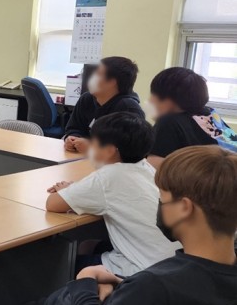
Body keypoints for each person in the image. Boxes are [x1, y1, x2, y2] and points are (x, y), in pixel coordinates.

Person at [0, 145, 237, 305]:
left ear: (185, 208)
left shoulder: (153, 287)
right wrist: (119, 285)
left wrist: (86, 281)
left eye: (162, 199)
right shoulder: (218, 274)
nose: (158, 205)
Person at [46, 112, 178, 275]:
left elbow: (53, 204)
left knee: (61, 267)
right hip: (172, 265)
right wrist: (76, 190)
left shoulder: (108, 176)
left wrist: (66, 191)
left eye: (94, 143)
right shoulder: (146, 168)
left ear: (109, 151)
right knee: (91, 245)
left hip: (140, 272)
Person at [64, 56, 144, 153]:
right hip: (81, 158)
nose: (92, 78)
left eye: (98, 74)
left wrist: (93, 148)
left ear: (112, 82)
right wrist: (72, 139)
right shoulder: (87, 99)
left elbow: (133, 150)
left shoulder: (129, 108)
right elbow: (74, 128)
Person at [147, 67, 219, 169]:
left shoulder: (169, 122)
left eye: (153, 94)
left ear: (168, 101)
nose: (150, 100)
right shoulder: (210, 114)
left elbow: (153, 166)